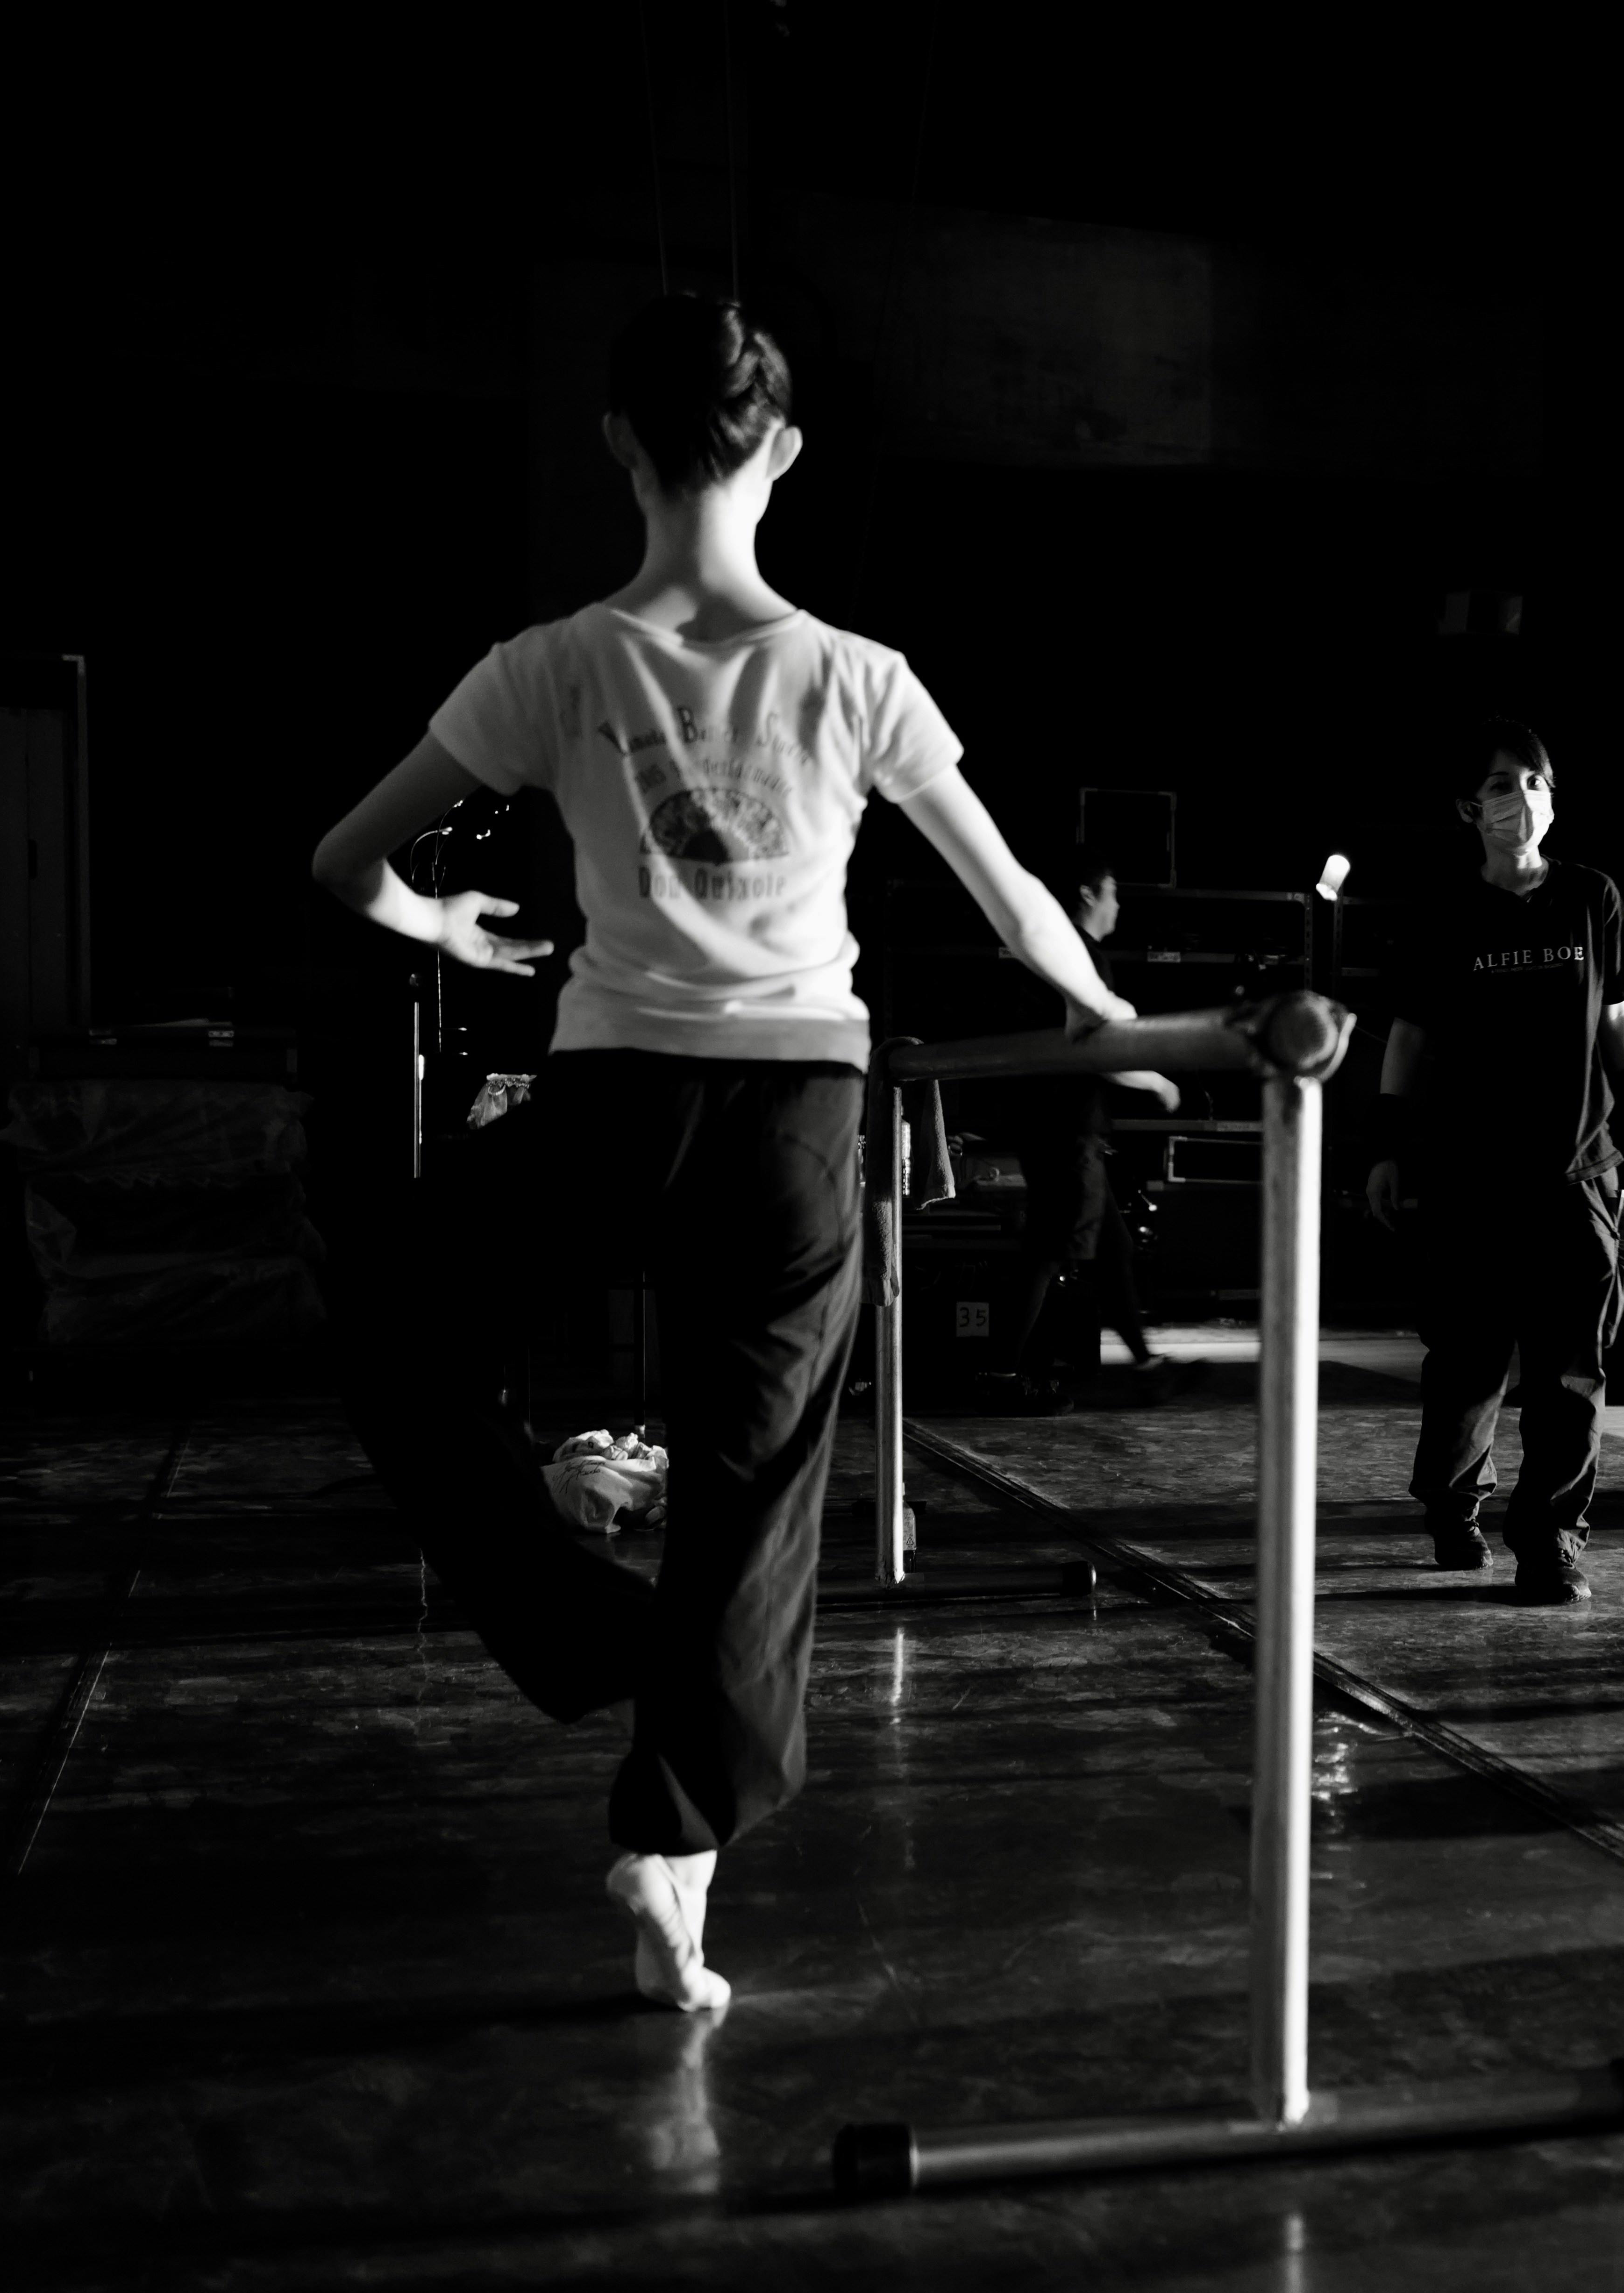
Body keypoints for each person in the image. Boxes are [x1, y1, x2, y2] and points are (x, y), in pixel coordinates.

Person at [308, 295, 1135, 2011]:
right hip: (790, 1118)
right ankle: (671, 1847)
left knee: (394, 1324)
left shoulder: (548, 663)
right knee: (752, 1503)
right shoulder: (860, 679)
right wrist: (1115, 1021)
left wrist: (445, 927)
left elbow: (343, 861)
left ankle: (585, 1629)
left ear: (616, 444)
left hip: (610, 1097)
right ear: (784, 451)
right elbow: (1016, 904)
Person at [1363, 719, 1624, 1605]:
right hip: (1469, 1176)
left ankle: (1550, 1541)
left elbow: (1616, 1022)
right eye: (1504, 785)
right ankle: (1452, 1500)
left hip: (1578, 1172)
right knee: (1468, 1363)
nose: (1524, 799)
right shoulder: (1442, 914)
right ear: (1471, 807)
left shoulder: (1591, 896)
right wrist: (1389, 1148)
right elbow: (1408, 1041)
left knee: (1571, 1369)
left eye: (1536, 782)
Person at [978, 857, 1187, 1411]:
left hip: (1061, 1129)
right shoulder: (1079, 959)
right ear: (1089, 894)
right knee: (1047, 1253)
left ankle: (1146, 1367)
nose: (1119, 904)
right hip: (1066, 1131)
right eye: (1113, 892)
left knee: (1112, 1251)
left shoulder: (1057, 955)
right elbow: (1097, 1046)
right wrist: (1155, 1080)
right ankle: (1000, 1377)